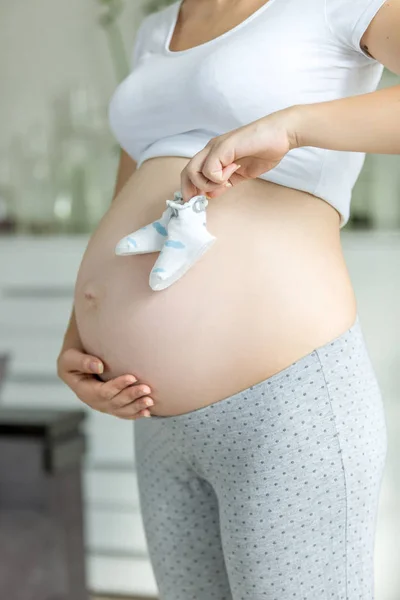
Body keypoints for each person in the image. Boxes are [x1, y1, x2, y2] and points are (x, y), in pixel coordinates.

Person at [57, 0, 399, 598]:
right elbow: (130, 191)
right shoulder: (155, 30)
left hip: (285, 404)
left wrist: (293, 126)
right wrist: (79, 335)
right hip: (157, 421)